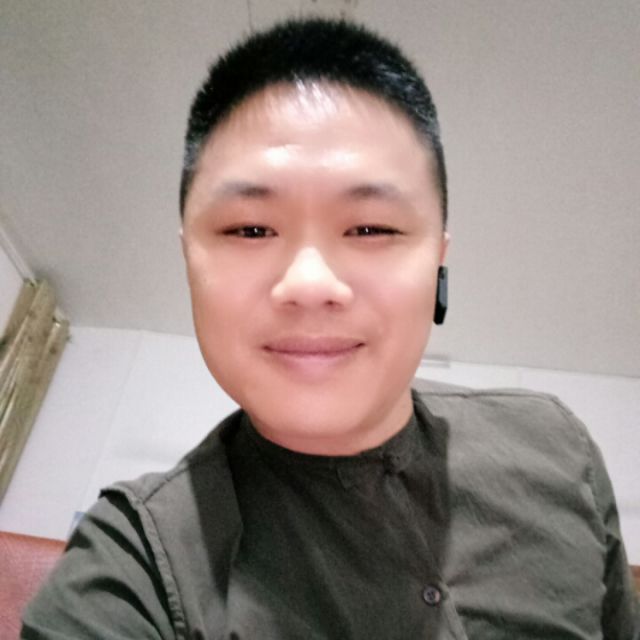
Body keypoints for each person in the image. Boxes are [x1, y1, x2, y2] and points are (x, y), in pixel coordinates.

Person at [22, 17, 638, 639]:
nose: (310, 283)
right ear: (189, 261)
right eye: (250, 229)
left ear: (438, 260)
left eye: (371, 228)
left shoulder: (557, 447)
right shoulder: (136, 566)